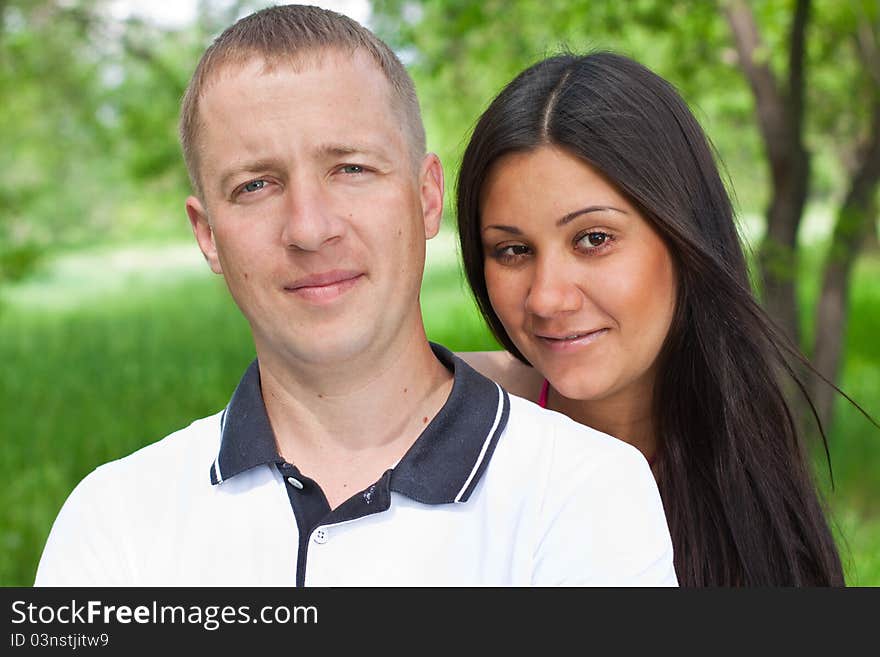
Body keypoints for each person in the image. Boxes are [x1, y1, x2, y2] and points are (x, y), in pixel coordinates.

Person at [34, 7, 676, 586]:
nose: (310, 228)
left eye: (351, 169)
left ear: (427, 198)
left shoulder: (584, 491)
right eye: (256, 185)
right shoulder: (114, 518)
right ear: (207, 234)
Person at [456, 51, 845, 586]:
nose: (546, 299)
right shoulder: (449, 417)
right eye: (513, 250)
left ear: (684, 238)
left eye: (593, 239)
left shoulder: (746, 451)